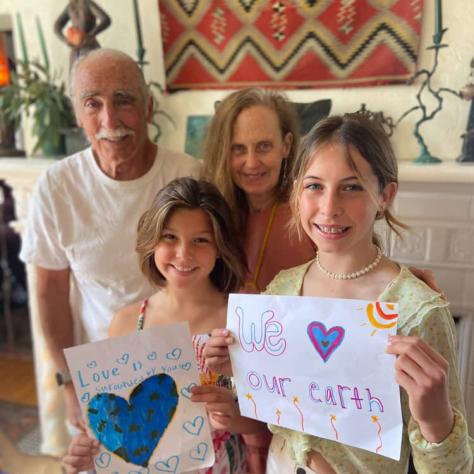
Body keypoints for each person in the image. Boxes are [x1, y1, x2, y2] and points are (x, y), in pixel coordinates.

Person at [205, 114, 474, 473]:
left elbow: (452, 469)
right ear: (297, 191)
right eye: (315, 186)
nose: (329, 207)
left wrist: (437, 421)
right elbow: (280, 406)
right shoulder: (282, 291)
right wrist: (236, 368)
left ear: (385, 195)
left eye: (352, 187)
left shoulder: (415, 310)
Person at [19, 49, 201, 435]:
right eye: (93, 104)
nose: (110, 120)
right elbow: (50, 296)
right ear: (76, 114)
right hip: (99, 381)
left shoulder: (189, 176)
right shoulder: (56, 188)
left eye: (123, 100)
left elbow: (215, 281)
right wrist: (69, 386)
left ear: (148, 107)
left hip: (182, 373)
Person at [62, 177, 266, 473]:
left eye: (201, 240)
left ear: (220, 247)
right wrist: (88, 452)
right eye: (170, 237)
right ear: (152, 241)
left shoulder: (240, 320)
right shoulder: (128, 322)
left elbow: (265, 420)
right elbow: (114, 422)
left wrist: (230, 414)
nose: (184, 254)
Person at [202, 87, 316, 473]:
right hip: (229, 401)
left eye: (263, 146)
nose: (251, 162)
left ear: (287, 145)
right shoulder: (215, 216)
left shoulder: (313, 213)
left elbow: (354, 272)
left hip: (296, 402)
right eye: (238, 149)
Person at [54, 0, 111, 68]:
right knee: (75, 75)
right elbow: (57, 26)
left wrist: (90, 35)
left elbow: (106, 20)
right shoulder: (70, 6)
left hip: (90, 47)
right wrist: (65, 40)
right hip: (75, 50)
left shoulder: (87, 3)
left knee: (91, 74)